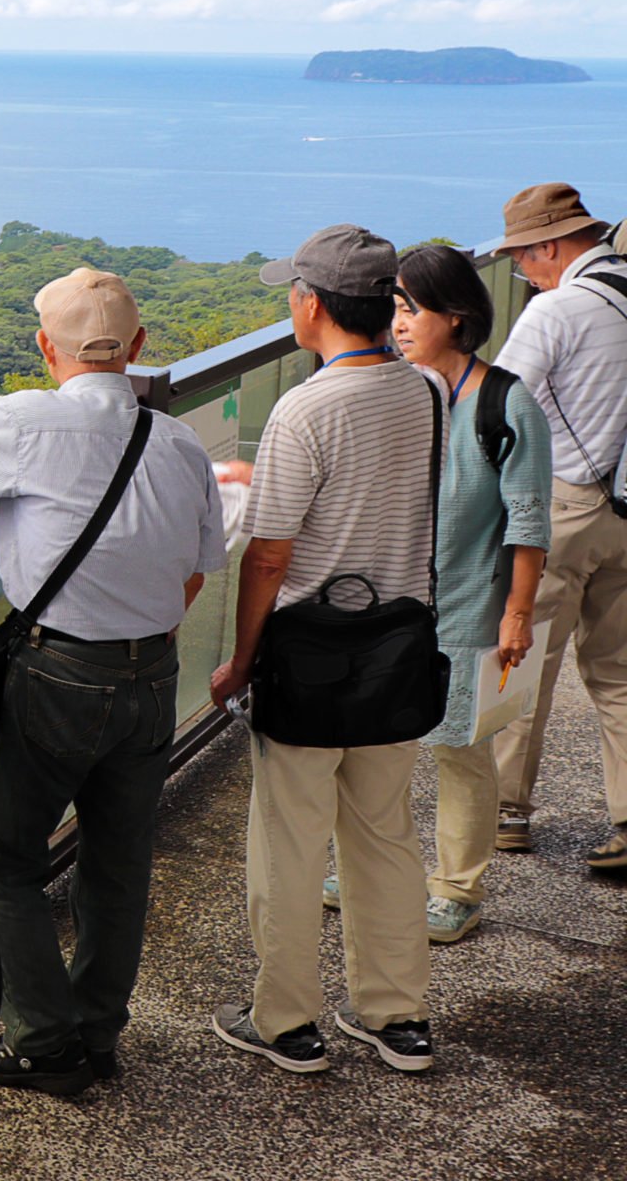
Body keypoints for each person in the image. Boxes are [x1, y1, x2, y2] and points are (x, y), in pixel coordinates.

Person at [0, 267, 221, 1095]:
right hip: (154, 672)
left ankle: (43, 1039)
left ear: (46, 348)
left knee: (7, 859)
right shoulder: (178, 442)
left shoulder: (25, 422)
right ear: (138, 349)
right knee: (120, 862)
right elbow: (196, 570)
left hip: (58, 673)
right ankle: (99, 1032)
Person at [207, 225, 438, 1076]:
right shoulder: (423, 393)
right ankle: (396, 1014)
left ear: (312, 302)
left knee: (292, 838)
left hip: (309, 650)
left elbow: (270, 553)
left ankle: (287, 1021)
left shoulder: (307, 405)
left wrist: (238, 659)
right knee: (384, 834)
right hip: (399, 643)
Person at [320, 245, 548, 943]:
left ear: (457, 316)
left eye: (411, 309)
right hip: (389, 605)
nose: (398, 323)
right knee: (372, 744)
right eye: (392, 308)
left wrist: (517, 614)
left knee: (457, 749)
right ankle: (370, 865)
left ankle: (456, 888)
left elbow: (529, 521)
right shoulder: (395, 389)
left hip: (468, 608)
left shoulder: (506, 403)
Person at [484, 183, 627, 871]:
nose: (523, 272)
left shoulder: (557, 310)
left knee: (524, 660)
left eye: (522, 258)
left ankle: (506, 812)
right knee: (619, 673)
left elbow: (500, 407)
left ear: (548, 245)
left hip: (566, 507)